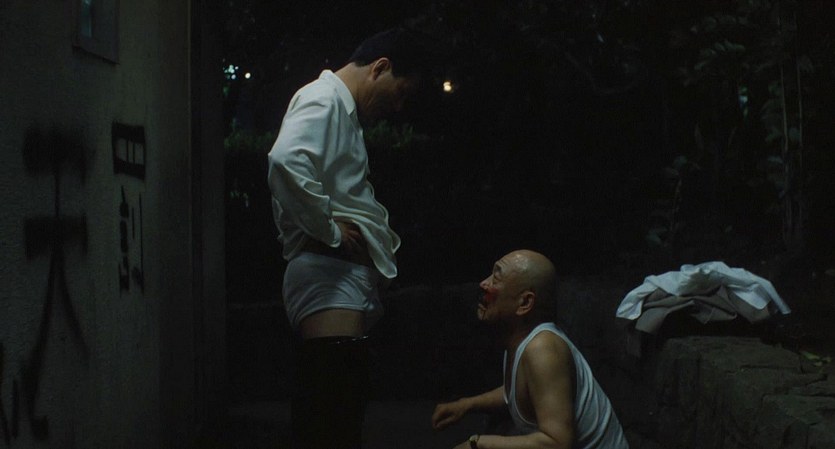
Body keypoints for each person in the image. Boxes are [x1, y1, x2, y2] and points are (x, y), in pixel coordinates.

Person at [266, 27, 435, 449]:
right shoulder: (323, 99)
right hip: (327, 276)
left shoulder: (339, 109)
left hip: (335, 278)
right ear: (380, 67)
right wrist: (329, 231)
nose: (398, 106)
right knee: (332, 409)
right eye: (401, 92)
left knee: (337, 406)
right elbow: (285, 160)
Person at [432, 250, 629, 449]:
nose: (484, 283)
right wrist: (467, 404)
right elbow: (519, 392)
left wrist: (479, 444)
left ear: (525, 303)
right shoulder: (519, 339)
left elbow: (558, 443)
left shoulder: (542, 350)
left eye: (496, 278)